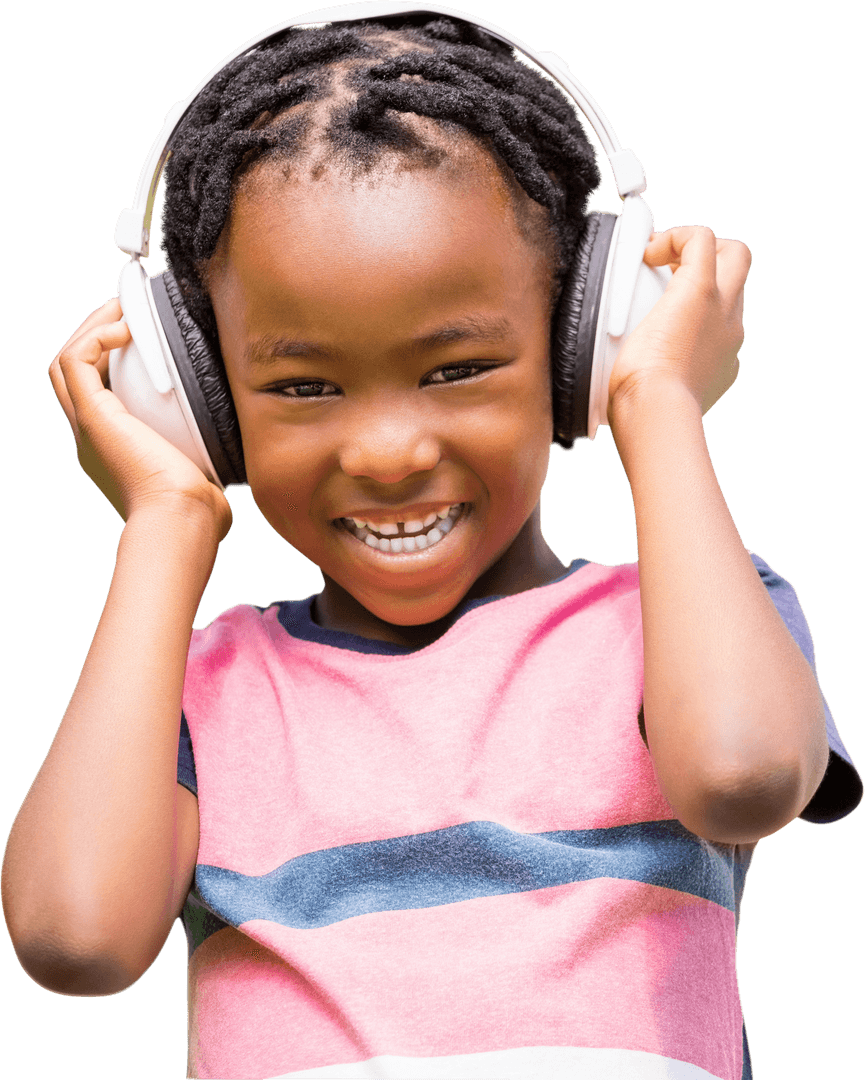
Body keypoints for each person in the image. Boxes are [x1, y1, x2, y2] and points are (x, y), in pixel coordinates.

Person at [2, 6, 860, 1080]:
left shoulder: (686, 619)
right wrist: (165, 525)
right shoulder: (189, 691)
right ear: (203, 405)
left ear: (576, 344)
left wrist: (655, 400)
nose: (390, 451)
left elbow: (741, 777)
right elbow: (75, 936)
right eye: (302, 386)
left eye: (455, 369)